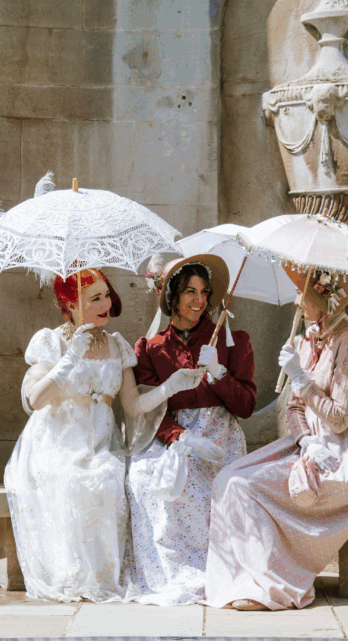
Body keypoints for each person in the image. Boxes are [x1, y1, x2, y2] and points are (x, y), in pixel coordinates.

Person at [4, 268, 206, 603]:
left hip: (100, 442)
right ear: (69, 305)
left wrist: (170, 387)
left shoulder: (116, 345)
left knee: (110, 475)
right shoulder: (50, 341)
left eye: (106, 295)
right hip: (57, 442)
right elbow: (36, 400)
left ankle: (104, 578)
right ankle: (76, 577)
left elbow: (133, 405)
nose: (105, 303)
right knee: (74, 479)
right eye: (94, 298)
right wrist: (70, 357)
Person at [204, 268, 348, 611]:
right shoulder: (307, 340)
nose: (296, 301)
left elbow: (338, 417)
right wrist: (305, 441)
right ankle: (237, 580)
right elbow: (293, 407)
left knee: (249, 488)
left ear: (325, 299)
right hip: (310, 445)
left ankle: (273, 587)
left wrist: (300, 377)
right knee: (227, 479)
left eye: (302, 294)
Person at [126, 255, 257, 606]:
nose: (199, 300)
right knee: (143, 477)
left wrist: (219, 373)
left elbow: (245, 406)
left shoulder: (233, 341)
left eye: (204, 292)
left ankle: (216, 570)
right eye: (189, 292)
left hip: (221, 435)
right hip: (171, 436)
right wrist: (181, 437)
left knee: (205, 482)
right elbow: (150, 409)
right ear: (171, 296)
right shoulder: (150, 348)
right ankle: (172, 571)